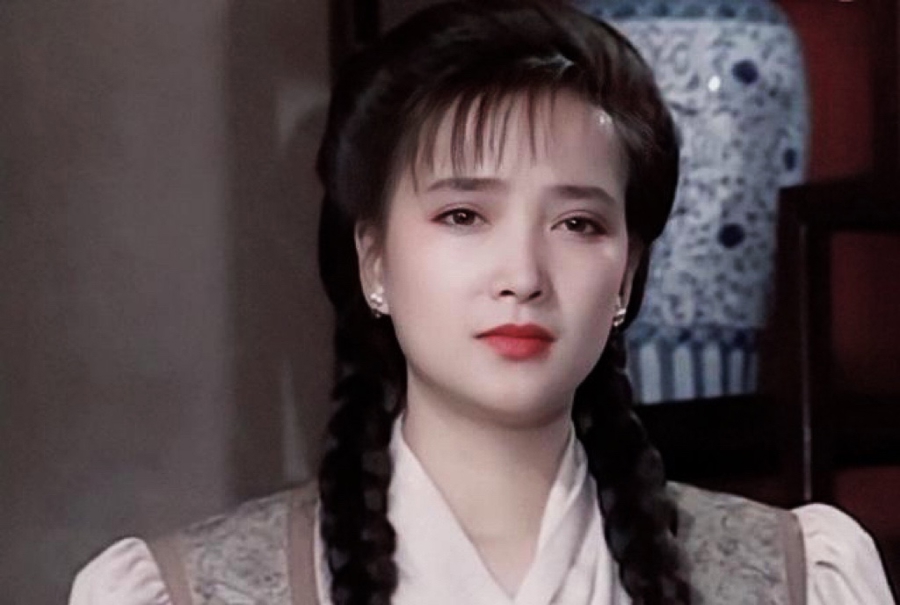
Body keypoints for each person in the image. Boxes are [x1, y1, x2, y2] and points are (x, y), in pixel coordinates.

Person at [69, 1, 896, 603]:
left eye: (577, 223)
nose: (523, 274)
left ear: (628, 275)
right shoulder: (182, 591)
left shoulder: (797, 575)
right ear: (373, 260)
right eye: (464, 215)